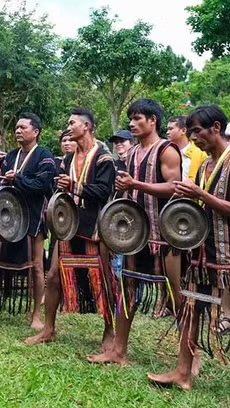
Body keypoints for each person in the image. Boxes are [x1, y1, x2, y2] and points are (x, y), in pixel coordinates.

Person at [148, 105, 230, 406]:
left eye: (197, 132)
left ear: (216, 128)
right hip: (206, 250)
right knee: (191, 308)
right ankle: (182, 371)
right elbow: (205, 206)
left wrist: (200, 195)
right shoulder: (205, 165)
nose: (194, 138)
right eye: (190, 133)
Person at [25, 107, 115, 355]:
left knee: (104, 280)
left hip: (95, 227)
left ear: (86, 126)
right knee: (53, 275)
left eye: (72, 122)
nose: (68, 126)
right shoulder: (66, 159)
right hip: (67, 226)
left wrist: (75, 186)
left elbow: (104, 192)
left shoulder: (104, 158)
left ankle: (109, 331)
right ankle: (49, 329)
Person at [100, 98, 182, 365]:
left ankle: (190, 359)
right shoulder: (132, 153)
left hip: (166, 233)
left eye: (138, 119)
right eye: (131, 119)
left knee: (176, 294)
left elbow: (174, 187)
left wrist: (137, 184)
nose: (132, 124)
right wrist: (124, 187)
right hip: (136, 234)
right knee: (128, 288)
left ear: (152, 121)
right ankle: (118, 351)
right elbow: (129, 187)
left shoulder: (167, 150)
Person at [0, 113, 55, 329]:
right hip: (9, 217)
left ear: (35, 132)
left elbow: (42, 186)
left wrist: (16, 178)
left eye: (23, 127)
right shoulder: (11, 155)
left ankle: (36, 315)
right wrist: (0, 174)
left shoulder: (45, 156)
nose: (18, 130)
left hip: (34, 217)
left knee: (36, 266)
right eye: (16, 127)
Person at [168, 115, 208, 183]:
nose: (167, 132)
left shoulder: (200, 154)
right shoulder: (167, 152)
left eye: (171, 129)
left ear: (183, 131)